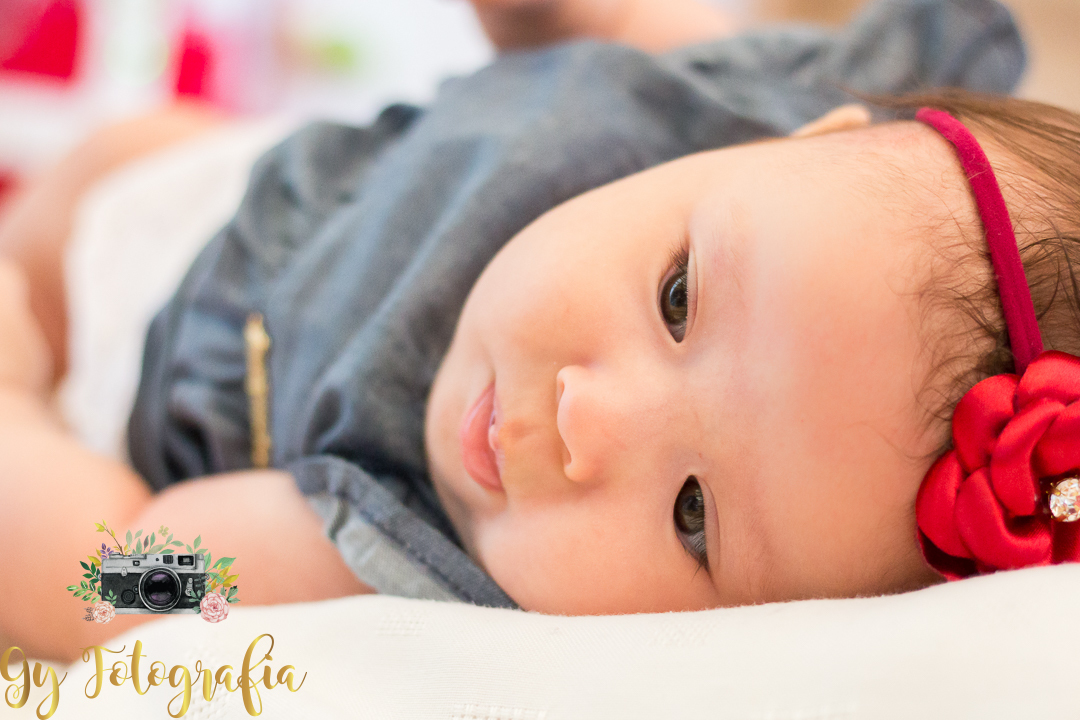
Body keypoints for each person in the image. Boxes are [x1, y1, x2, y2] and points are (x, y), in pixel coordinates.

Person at [3, 0, 1076, 663]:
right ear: (798, 136)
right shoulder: (740, 104)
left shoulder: (376, 547)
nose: (580, 419)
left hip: (113, 328)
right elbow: (611, 28)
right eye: (676, 300)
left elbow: (109, 574)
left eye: (693, 516)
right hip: (246, 172)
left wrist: (14, 390)